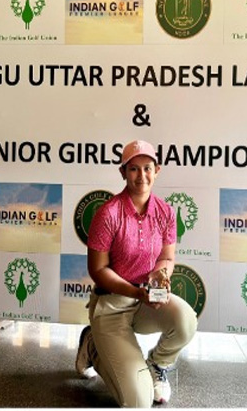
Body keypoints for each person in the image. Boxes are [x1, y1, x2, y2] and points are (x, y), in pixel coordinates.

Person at [75, 140, 198, 407]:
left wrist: (159, 277)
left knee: (186, 321)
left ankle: (157, 364)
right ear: (123, 172)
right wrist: (136, 292)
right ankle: (93, 346)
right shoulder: (108, 214)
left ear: (157, 171)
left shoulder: (165, 212)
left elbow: (166, 257)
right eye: (133, 169)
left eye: (147, 168)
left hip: (145, 300)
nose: (141, 175)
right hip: (111, 306)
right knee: (139, 402)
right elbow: (97, 270)